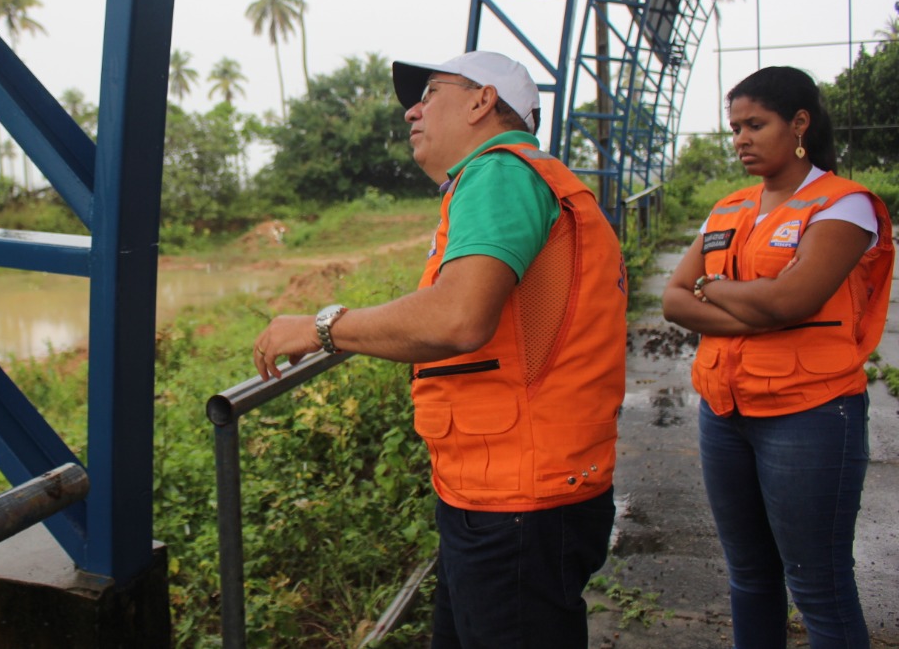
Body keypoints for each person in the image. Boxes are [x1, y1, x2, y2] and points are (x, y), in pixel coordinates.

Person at [252, 51, 627, 648]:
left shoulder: (500, 173)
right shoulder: (526, 177)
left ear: (482, 101)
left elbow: (457, 317)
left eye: (429, 92)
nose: (411, 110)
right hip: (515, 487)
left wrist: (322, 326)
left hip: (518, 503)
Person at [662, 66, 893, 648]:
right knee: (749, 578)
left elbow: (793, 300)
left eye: (755, 125)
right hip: (724, 414)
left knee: (818, 586)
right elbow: (672, 300)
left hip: (809, 415)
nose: (740, 138)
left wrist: (711, 288)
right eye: (734, 126)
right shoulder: (728, 208)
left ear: (798, 124)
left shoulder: (843, 205)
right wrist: (754, 305)